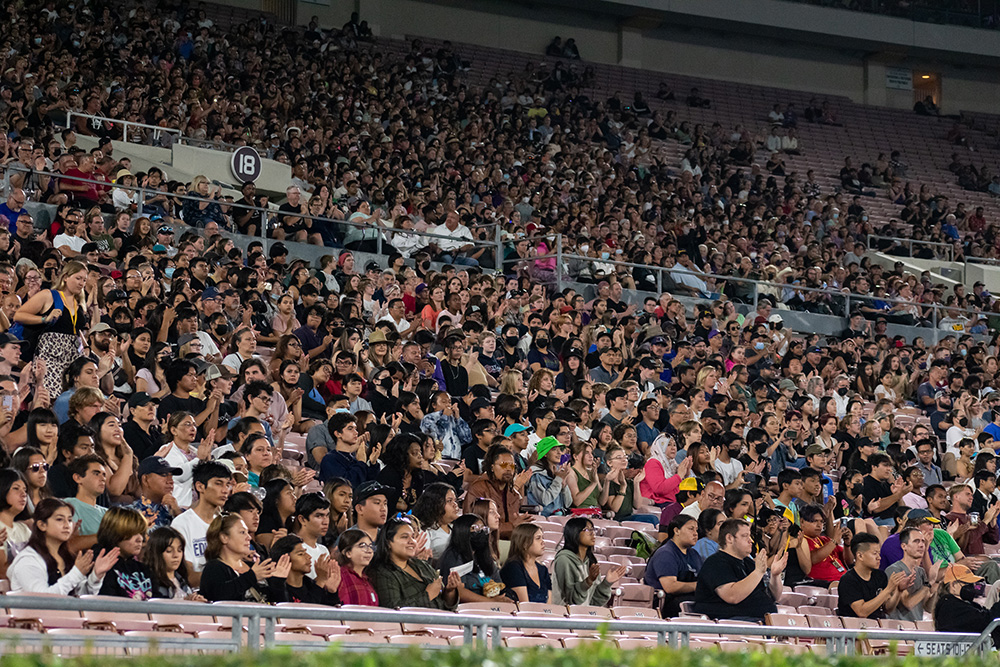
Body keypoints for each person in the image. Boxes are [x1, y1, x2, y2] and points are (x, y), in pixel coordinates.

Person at [8, 498, 118, 595]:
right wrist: (77, 573)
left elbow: (78, 596)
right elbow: (42, 600)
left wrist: (96, 576)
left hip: (66, 616)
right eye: (60, 519)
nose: (67, 525)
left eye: (70, 520)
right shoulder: (28, 559)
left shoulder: (66, 556)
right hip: (34, 618)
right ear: (42, 525)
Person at [693, 518, 788, 621]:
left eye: (750, 535)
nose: (750, 540)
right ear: (729, 538)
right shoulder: (715, 562)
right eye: (744, 536)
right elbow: (732, 596)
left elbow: (774, 597)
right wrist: (758, 572)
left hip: (760, 621)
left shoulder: (749, 563)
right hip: (732, 624)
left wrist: (775, 575)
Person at [366, 514, 460, 609]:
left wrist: (449, 591)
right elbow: (393, 610)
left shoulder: (422, 565)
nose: (412, 541)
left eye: (413, 537)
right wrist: (428, 595)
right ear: (388, 542)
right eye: (404, 537)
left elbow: (446, 604)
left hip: (440, 621)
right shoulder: (382, 573)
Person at [199, 513, 291, 603]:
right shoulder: (214, 568)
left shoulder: (253, 567)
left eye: (247, 532)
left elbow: (279, 608)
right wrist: (252, 577)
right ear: (224, 537)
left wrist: (278, 581)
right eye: (242, 532)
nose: (249, 538)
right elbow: (219, 597)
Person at [170, 460, 232, 587]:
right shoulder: (182, 523)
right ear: (200, 486)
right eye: (219, 484)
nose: (225, 490)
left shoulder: (226, 522)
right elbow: (189, 577)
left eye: (228, 484)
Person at [551, 517, 627, 606]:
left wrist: (607, 583)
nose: (592, 533)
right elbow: (572, 600)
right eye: (587, 529)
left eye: (593, 529)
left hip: (585, 616)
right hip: (566, 616)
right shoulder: (564, 560)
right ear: (574, 532)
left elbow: (594, 603)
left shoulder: (591, 561)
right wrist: (588, 581)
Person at [645, 514, 702, 617]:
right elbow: (670, 586)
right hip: (667, 603)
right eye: (691, 529)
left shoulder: (694, 554)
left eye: (696, 530)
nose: (695, 534)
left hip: (689, 598)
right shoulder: (666, 553)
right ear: (676, 531)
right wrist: (698, 586)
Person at [837, 532, 906, 619]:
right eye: (874, 553)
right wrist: (888, 589)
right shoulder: (848, 580)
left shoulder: (880, 575)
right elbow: (861, 612)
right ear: (860, 556)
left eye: (879, 553)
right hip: (857, 629)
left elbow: (887, 609)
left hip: (878, 627)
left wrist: (898, 591)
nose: (879, 557)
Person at [438, 513, 503, 602]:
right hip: (469, 609)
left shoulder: (484, 556)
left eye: (484, 529)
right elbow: (459, 592)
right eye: (475, 528)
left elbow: (499, 584)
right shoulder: (454, 556)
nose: (481, 532)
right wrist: (491, 602)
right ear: (462, 531)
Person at [94, 506, 154, 599]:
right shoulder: (99, 562)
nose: (140, 539)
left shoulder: (143, 569)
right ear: (115, 533)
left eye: (141, 533)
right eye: (133, 533)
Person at [934, 564, 1000, 645]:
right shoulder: (950, 607)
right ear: (953, 585)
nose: (972, 587)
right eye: (968, 584)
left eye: (973, 584)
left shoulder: (967, 604)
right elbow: (987, 621)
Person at [268, 535, 341, 605]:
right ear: (284, 559)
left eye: (306, 552)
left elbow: (331, 614)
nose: (309, 557)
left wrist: (332, 592)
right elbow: (301, 613)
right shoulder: (276, 587)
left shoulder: (310, 584)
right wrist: (320, 581)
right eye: (301, 554)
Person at [885, 526, 939, 622]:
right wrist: (929, 583)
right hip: (899, 629)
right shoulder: (894, 570)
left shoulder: (920, 571)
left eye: (923, 541)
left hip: (916, 629)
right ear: (904, 546)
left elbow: (928, 607)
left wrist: (936, 583)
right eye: (916, 541)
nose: (922, 545)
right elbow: (908, 604)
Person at [142, 526, 203, 600]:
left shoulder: (181, 580)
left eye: (179, 550)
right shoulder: (151, 583)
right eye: (169, 551)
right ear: (156, 553)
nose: (176, 555)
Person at [501, 523, 552, 604]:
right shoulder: (513, 567)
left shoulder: (543, 570)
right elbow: (524, 605)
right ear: (525, 543)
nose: (543, 542)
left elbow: (548, 606)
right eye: (538, 538)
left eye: (543, 538)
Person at [412, 482, 460, 561]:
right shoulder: (425, 531)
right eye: (449, 501)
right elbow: (424, 561)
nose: (455, 505)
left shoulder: (455, 526)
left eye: (455, 500)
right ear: (435, 504)